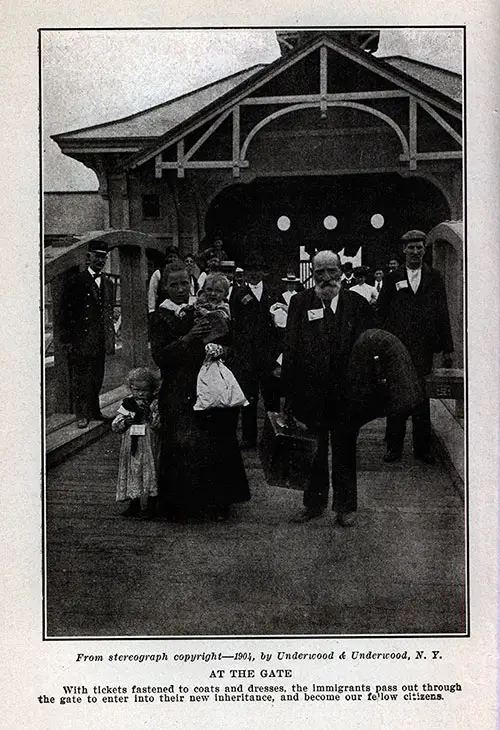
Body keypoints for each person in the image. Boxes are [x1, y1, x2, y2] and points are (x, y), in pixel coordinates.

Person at [150, 261, 250, 521]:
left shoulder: (201, 310)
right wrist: (189, 337)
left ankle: (216, 503)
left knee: (212, 442)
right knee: (179, 443)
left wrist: (223, 350)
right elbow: (160, 357)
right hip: (177, 386)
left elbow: (233, 343)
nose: (181, 289)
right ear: (164, 287)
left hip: (204, 384)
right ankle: (180, 505)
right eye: (174, 284)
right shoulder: (160, 316)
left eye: (185, 283)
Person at [280, 250, 373, 526]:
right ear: (312, 272)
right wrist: (287, 393)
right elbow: (290, 347)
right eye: (319, 271)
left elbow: (369, 346)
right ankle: (313, 504)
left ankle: (345, 507)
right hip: (310, 394)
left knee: (345, 451)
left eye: (331, 271)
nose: (326, 278)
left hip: (346, 394)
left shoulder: (357, 304)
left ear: (341, 272)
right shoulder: (300, 302)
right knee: (314, 452)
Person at [377, 230, 453, 464]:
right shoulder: (392, 278)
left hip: (424, 348)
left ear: (424, 250)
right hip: (397, 348)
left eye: (420, 247)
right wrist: (380, 344)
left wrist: (447, 347)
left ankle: (422, 449)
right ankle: (394, 447)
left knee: (421, 398)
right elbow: (381, 311)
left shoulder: (434, 277)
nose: (416, 252)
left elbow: (442, 313)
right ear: (404, 250)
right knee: (397, 396)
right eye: (411, 247)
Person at [59, 240, 115, 428]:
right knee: (81, 377)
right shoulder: (77, 281)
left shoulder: (108, 283)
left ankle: (94, 410)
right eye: (97, 256)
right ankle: (81, 414)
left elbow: (107, 312)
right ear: (88, 257)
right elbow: (65, 313)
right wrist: (67, 339)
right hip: (81, 338)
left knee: (97, 376)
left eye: (104, 257)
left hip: (100, 338)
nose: (101, 260)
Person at [231, 252, 280, 449]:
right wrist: (241, 353)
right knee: (249, 399)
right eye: (250, 270)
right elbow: (235, 327)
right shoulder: (238, 294)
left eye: (257, 270)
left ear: (263, 272)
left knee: (272, 398)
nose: (253, 274)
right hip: (248, 356)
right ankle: (249, 438)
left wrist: (278, 356)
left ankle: (276, 436)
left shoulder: (273, 292)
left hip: (269, 356)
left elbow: (280, 326)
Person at [111, 367, 161, 518]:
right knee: (133, 471)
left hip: (149, 443)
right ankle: (134, 503)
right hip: (132, 446)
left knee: (151, 470)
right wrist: (125, 422)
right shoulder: (128, 404)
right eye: (136, 389)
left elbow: (158, 424)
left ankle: (152, 504)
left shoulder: (154, 404)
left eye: (145, 390)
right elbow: (115, 424)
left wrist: (148, 414)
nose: (140, 393)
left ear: (152, 389)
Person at [148, 246, 181, 313]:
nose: (172, 259)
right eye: (170, 257)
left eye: (175, 257)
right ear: (166, 258)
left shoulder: (181, 273)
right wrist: (151, 310)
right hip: (163, 309)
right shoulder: (158, 273)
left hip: (178, 309)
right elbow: (152, 293)